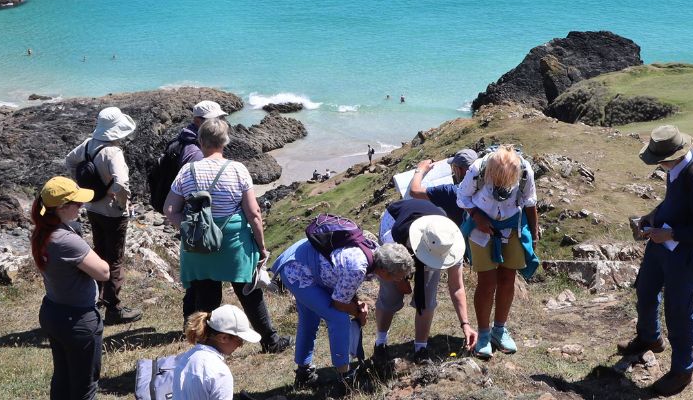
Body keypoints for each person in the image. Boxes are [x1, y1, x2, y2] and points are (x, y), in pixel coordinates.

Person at [165, 119, 290, 353]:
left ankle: (205, 347)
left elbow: (170, 210)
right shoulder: (237, 169)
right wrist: (262, 247)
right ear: (226, 142)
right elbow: (254, 213)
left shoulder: (188, 170)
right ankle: (270, 342)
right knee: (250, 293)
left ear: (200, 141)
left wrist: (191, 230)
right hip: (234, 243)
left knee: (206, 297)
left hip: (199, 245)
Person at [618, 125, 693, 395]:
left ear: (669, 157)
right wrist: (652, 216)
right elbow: (673, 203)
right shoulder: (676, 168)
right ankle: (650, 338)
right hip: (661, 245)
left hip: (683, 254)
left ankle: (682, 371)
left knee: (679, 311)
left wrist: (671, 233)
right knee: (645, 289)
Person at [273, 215, 416, 392]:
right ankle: (345, 379)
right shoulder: (359, 266)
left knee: (310, 320)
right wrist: (357, 312)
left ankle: (304, 374)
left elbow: (343, 282)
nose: (398, 281)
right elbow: (339, 303)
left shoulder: (376, 253)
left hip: (304, 260)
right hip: (298, 271)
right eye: (398, 277)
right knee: (338, 318)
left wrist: (356, 304)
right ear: (386, 272)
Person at [454, 145, 541, 358]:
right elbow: (461, 197)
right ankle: (484, 334)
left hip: (512, 227)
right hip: (481, 228)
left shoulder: (525, 171)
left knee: (507, 279)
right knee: (487, 281)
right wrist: (477, 217)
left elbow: (530, 203)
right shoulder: (478, 169)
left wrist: (535, 234)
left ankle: (499, 330)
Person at [31, 176, 114, 400]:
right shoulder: (65, 240)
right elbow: (103, 272)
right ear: (62, 208)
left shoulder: (41, 231)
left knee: (63, 376)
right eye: (76, 203)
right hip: (77, 320)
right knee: (85, 387)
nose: (82, 206)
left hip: (54, 311)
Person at [61, 107, 143, 325]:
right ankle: (114, 309)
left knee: (99, 252)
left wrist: (84, 187)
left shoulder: (88, 145)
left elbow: (70, 161)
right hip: (112, 213)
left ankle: (96, 297)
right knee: (115, 259)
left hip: (92, 208)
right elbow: (121, 183)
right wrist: (120, 202)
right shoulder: (113, 153)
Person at [371, 196, 474, 364]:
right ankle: (380, 343)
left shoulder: (447, 242)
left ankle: (421, 348)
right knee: (390, 294)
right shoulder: (396, 233)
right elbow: (391, 272)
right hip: (397, 225)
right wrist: (401, 281)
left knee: (426, 297)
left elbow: (456, 287)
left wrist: (466, 324)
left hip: (427, 238)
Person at [170, 304, 262, 400]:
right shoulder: (220, 373)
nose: (241, 345)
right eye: (239, 339)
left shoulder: (184, 359)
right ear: (223, 338)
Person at [150, 100, 226, 213]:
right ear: (197, 121)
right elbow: (199, 186)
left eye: (221, 118)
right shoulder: (194, 151)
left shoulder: (186, 137)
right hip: (192, 213)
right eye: (215, 119)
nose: (220, 122)